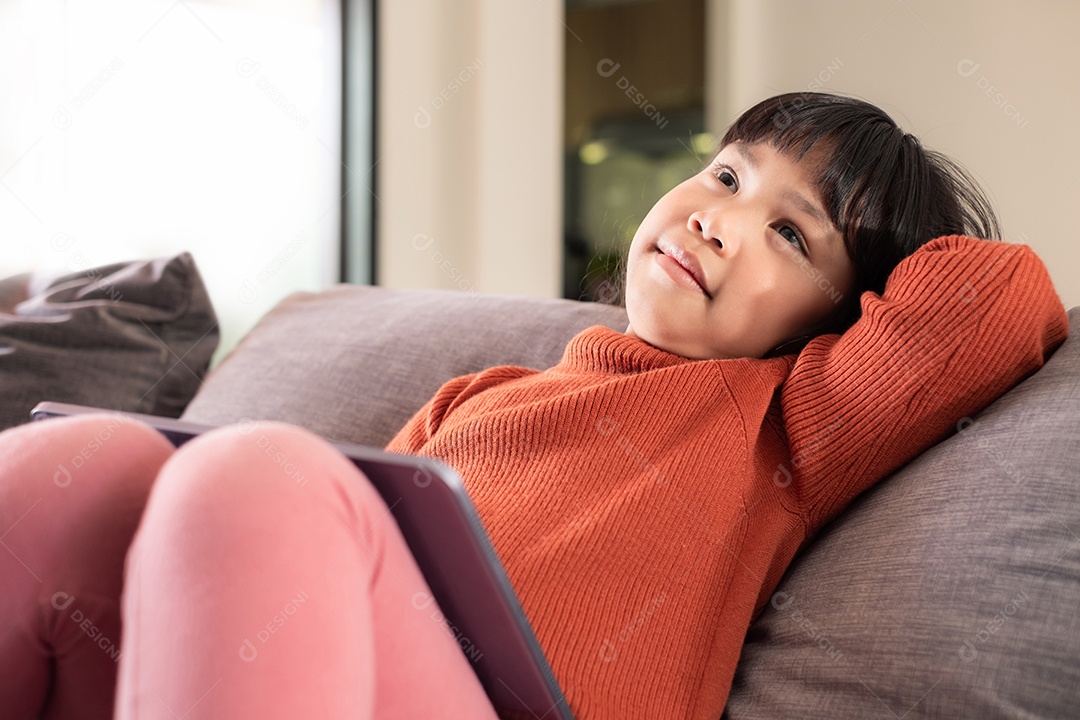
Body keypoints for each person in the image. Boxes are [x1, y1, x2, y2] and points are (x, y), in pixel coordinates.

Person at [0, 92, 1067, 720]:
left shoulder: (787, 424)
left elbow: (994, 296)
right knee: (93, 464)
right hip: (336, 683)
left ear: (839, 319)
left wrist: (877, 290)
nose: (719, 222)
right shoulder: (488, 395)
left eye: (794, 236)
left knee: (254, 471)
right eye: (728, 178)